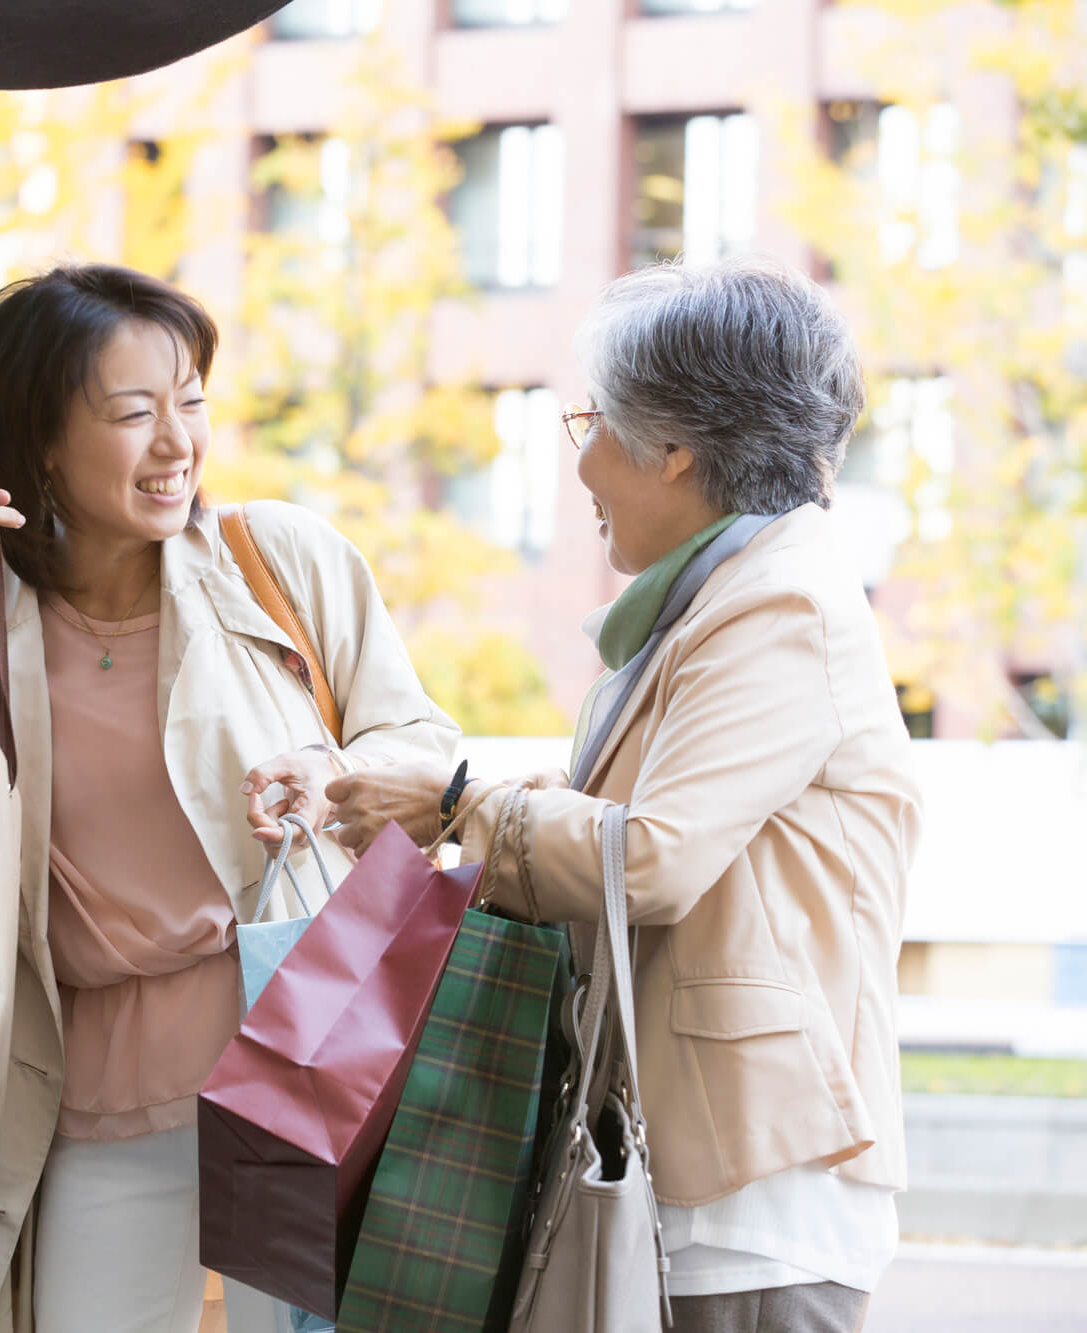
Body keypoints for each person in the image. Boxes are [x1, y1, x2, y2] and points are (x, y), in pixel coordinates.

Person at [0, 263, 457, 1333]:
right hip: (92, 1090)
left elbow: (418, 744)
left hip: (301, 1040)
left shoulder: (278, 561)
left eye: (189, 401)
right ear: (40, 439)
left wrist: (333, 776)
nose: (177, 441)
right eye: (133, 413)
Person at [326, 255, 922, 1333]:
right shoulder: (719, 597)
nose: (584, 461)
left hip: (751, 1185)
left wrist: (456, 801)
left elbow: (646, 856)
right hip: (705, 1166)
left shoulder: (776, 605)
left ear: (676, 451)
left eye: (594, 425)